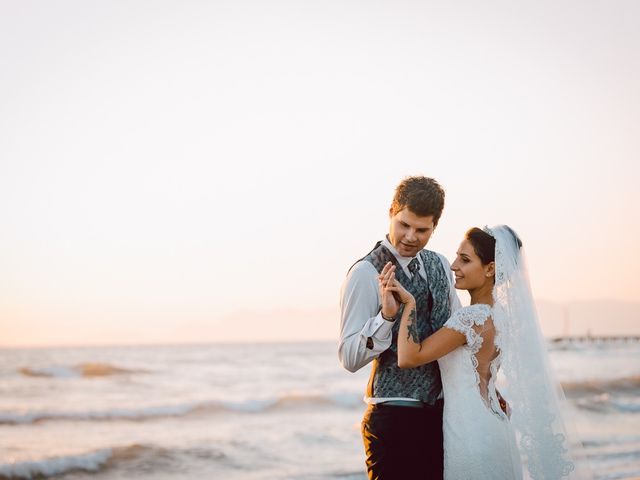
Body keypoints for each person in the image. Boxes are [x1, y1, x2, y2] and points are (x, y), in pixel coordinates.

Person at [381, 225, 584, 479]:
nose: (454, 266)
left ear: (490, 268)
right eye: (456, 257)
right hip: (497, 426)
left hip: (469, 431)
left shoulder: (471, 318)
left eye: (465, 260)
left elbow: (409, 357)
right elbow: (480, 370)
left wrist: (408, 304)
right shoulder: (502, 317)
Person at [338, 176, 461, 480]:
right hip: (392, 420)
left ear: (435, 226)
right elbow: (349, 358)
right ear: (392, 211)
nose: (410, 236)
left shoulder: (441, 265)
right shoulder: (364, 273)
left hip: (442, 418)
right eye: (404, 224)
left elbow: (456, 335)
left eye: (422, 230)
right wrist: (385, 319)